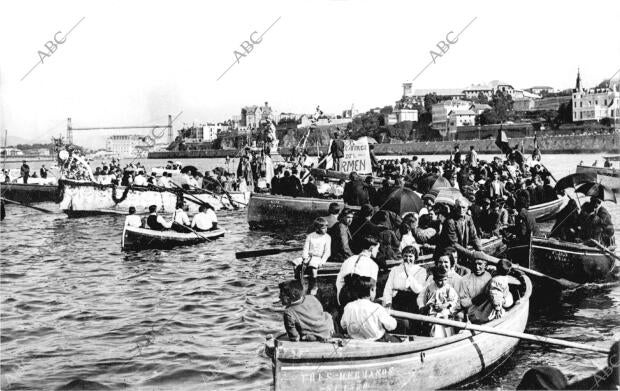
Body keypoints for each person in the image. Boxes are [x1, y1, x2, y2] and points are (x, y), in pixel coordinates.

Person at [382, 246, 426, 334]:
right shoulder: (395, 270)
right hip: (397, 300)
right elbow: (388, 287)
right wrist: (388, 302)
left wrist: (408, 273)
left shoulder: (421, 270)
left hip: (413, 300)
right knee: (399, 325)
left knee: (411, 327)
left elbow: (417, 289)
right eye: (405, 256)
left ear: (415, 257)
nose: (407, 259)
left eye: (410, 256)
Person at [340, 276, 399, 342]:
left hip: (355, 340)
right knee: (397, 339)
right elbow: (391, 326)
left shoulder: (348, 306)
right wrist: (387, 315)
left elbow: (343, 325)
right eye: (375, 289)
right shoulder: (377, 308)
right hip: (377, 341)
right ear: (372, 290)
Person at [336, 236, 380, 307]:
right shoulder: (373, 265)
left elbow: (339, 281)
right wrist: (371, 303)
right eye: (377, 249)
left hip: (344, 298)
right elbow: (372, 288)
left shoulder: (348, 260)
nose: (378, 251)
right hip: (360, 300)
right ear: (371, 248)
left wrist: (339, 300)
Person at [468, 259, 514, 323]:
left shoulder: (496, 281)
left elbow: (495, 296)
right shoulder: (503, 278)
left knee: (483, 315)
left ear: (498, 269)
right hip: (498, 300)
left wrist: (497, 309)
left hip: (492, 303)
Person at [417, 268, 459, 337]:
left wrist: (444, 305)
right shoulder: (430, 287)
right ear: (435, 280)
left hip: (444, 309)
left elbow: (453, 300)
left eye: (445, 280)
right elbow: (425, 298)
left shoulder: (448, 288)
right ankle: (433, 337)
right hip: (433, 310)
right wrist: (429, 306)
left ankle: (447, 337)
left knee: (445, 319)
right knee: (432, 322)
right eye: (440, 280)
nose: (443, 282)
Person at [295, 217, 331, 295]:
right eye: (323, 228)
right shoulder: (310, 236)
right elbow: (306, 248)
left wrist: (322, 261)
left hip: (318, 257)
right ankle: (299, 283)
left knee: (313, 267)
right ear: (317, 228)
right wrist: (305, 257)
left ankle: (314, 285)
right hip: (308, 256)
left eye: (326, 228)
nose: (326, 230)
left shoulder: (327, 237)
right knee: (296, 263)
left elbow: (327, 252)